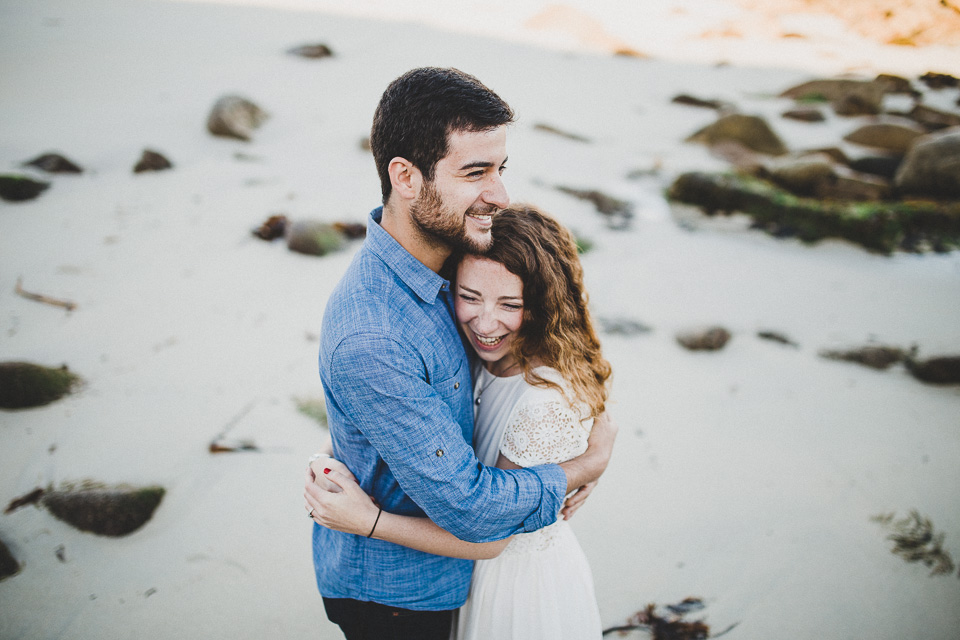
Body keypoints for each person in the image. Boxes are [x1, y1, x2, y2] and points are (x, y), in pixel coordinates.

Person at [304, 67, 617, 640]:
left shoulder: (461, 257)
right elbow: (473, 510)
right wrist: (582, 466)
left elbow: (558, 332)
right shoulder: (376, 335)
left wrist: (585, 423)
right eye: (475, 172)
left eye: (500, 169)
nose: (497, 193)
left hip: (462, 577)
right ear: (405, 176)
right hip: (398, 599)